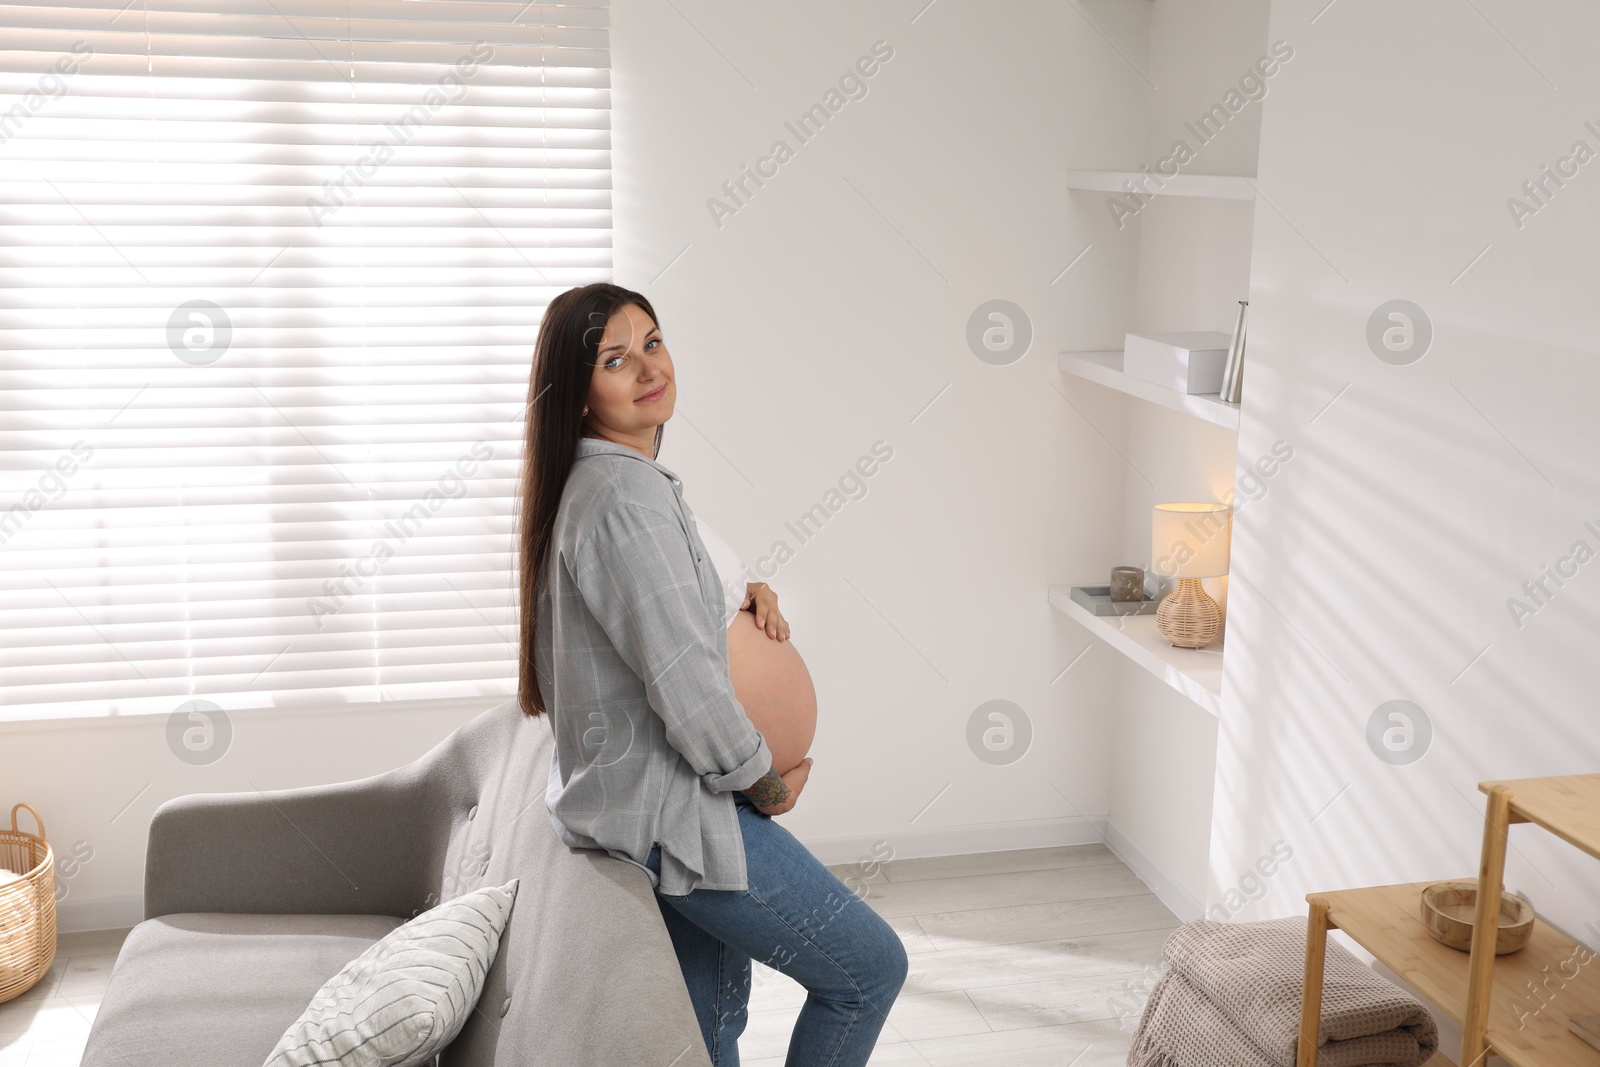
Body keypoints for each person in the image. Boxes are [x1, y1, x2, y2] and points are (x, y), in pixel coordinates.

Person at [517, 282, 908, 1066]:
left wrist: (740, 593)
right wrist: (761, 784)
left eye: (652, 343)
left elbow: (661, 618)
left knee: (706, 1027)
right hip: (681, 815)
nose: (646, 368)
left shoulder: (613, 484)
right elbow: (683, 684)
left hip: (666, 808)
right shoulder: (623, 498)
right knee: (867, 970)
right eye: (614, 359)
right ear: (579, 392)